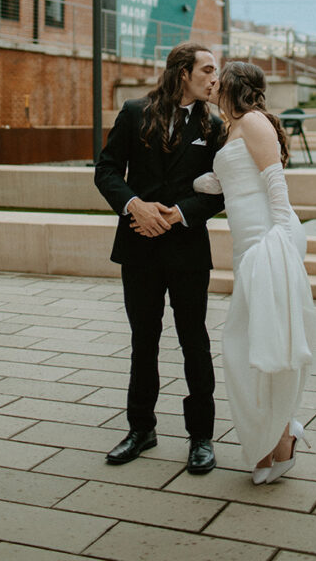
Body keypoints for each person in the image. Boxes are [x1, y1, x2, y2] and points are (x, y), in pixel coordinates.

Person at [94, 42, 225, 474]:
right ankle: (141, 429)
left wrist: (181, 213)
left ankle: (201, 438)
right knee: (143, 340)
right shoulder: (134, 112)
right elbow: (107, 169)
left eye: (215, 71)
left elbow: (223, 189)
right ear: (182, 73)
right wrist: (135, 205)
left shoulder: (215, 124)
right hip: (139, 245)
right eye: (206, 70)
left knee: (195, 342)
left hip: (187, 249)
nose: (214, 78)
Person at [193, 61, 316, 484]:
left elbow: (273, 181)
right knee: (248, 346)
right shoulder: (231, 129)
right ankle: (274, 437)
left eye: (218, 76)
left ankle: (280, 440)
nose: (212, 82)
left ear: (233, 85)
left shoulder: (255, 121)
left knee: (267, 346)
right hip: (248, 246)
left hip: (269, 239)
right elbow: (233, 178)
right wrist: (203, 183)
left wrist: (280, 237)